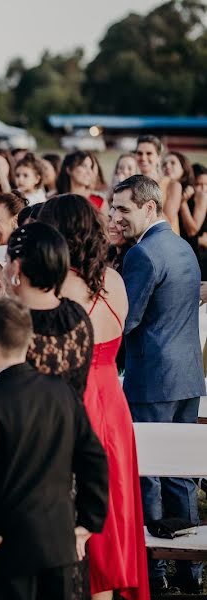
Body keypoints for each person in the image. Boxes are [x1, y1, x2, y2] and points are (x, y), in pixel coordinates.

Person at [0, 298, 109, 600]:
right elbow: (94, 460)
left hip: (5, 549)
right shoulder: (62, 393)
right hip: (59, 545)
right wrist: (88, 521)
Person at [38, 195, 151, 600]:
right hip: (113, 405)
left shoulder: (53, 286)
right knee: (108, 517)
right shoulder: (115, 280)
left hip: (71, 403)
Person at [112, 174, 206, 593]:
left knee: (148, 471)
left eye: (123, 209)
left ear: (149, 208)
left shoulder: (142, 255)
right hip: (188, 377)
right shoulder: (183, 246)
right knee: (183, 473)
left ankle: (155, 571)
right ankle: (191, 571)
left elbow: (127, 319)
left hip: (152, 379)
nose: (116, 217)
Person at [0, 222, 94, 406]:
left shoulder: (8, 323)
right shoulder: (77, 315)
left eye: (6, 262)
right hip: (67, 428)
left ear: (15, 268)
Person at [183, 163, 207, 279]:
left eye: (206, 184)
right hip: (189, 261)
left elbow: (192, 232)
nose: (204, 189)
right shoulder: (186, 202)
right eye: (198, 184)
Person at [163, 150, 195, 237]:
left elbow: (193, 231)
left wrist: (183, 202)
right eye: (164, 164)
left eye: (172, 163)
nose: (167, 166)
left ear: (183, 168)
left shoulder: (193, 194)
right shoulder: (162, 191)